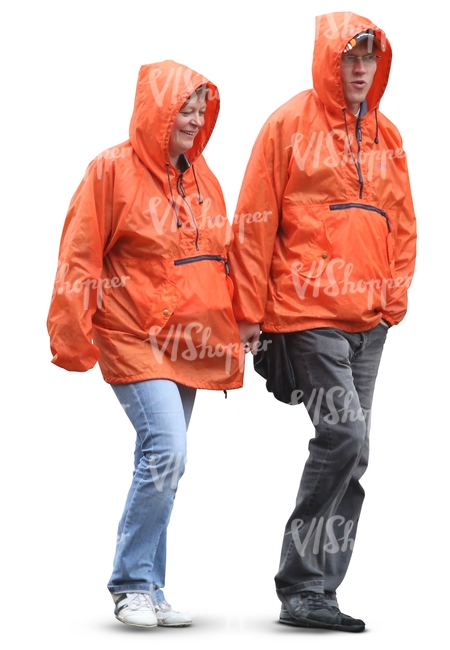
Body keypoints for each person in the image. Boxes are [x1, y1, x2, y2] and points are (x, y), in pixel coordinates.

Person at [228, 12, 416, 633]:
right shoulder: (287, 125)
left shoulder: (387, 136)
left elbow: (403, 222)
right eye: (349, 59)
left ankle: (319, 592)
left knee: (355, 454)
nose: (360, 70)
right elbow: (254, 221)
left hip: (368, 323)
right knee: (343, 439)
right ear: (328, 62)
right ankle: (302, 586)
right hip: (306, 314)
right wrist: (249, 314)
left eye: (368, 59)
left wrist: (393, 299)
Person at [47, 61, 243, 628]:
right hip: (132, 335)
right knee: (168, 449)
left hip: (190, 342)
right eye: (184, 109)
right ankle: (131, 582)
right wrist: (71, 330)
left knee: (163, 462)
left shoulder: (205, 178)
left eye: (200, 110)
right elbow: (79, 254)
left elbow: (219, 263)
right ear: (159, 112)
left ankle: (151, 587)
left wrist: (237, 330)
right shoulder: (110, 171)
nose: (194, 119)